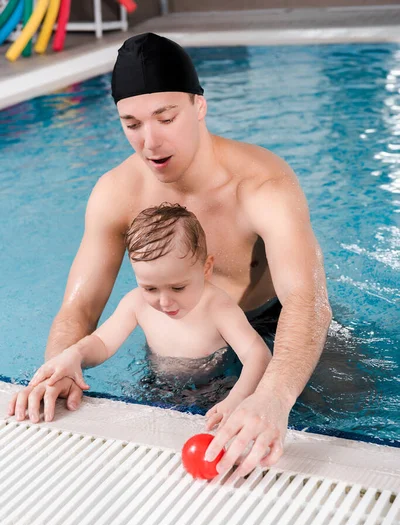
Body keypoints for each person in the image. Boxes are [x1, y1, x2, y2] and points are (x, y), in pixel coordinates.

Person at [8, 32, 332, 478]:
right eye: (133, 124)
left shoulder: (261, 185)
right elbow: (79, 306)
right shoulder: (116, 193)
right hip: (184, 330)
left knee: (326, 414)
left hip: (274, 322)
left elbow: (307, 300)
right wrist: (59, 367)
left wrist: (274, 397)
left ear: (199, 105)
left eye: (166, 117)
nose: (151, 142)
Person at [28, 204, 271, 428]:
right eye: (150, 288)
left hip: (217, 387)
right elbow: (102, 342)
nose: (164, 302)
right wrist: (75, 354)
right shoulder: (136, 303)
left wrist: (237, 398)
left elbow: (257, 354)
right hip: (157, 385)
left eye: (178, 288)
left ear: (205, 269)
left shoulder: (218, 307)